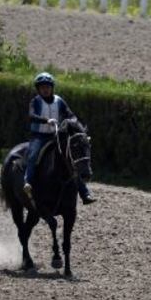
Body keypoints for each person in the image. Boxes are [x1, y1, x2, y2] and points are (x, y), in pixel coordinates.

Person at [23, 72, 96, 205]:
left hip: (55, 136)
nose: (45, 89)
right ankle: (28, 182)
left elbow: (71, 114)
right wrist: (46, 120)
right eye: (42, 87)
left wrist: (71, 121)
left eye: (48, 87)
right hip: (39, 137)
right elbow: (31, 116)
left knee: (70, 160)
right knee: (33, 155)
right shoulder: (35, 101)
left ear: (52, 88)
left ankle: (84, 193)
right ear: (38, 89)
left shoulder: (59, 101)